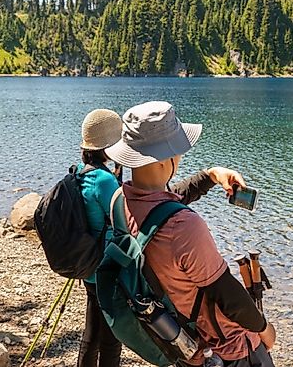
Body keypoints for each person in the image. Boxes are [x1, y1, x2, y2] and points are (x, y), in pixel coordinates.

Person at [105, 101, 276, 367]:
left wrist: (211, 176)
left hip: (183, 341)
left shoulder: (119, 200)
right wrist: (264, 327)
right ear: (165, 159)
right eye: (178, 151)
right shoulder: (183, 226)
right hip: (228, 349)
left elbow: (163, 206)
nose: (181, 157)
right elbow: (226, 293)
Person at [76, 109, 125, 367]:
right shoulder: (105, 181)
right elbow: (124, 221)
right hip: (105, 268)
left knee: (93, 330)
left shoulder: (84, 174)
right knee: (111, 337)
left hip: (89, 265)